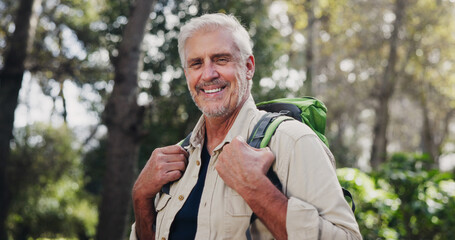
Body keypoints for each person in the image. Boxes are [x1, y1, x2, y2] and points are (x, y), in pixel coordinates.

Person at [130, 13, 362, 240]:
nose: (208, 74)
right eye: (196, 63)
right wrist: (141, 197)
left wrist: (256, 189)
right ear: (187, 74)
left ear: (248, 67)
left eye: (221, 59)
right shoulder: (175, 159)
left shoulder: (292, 141)